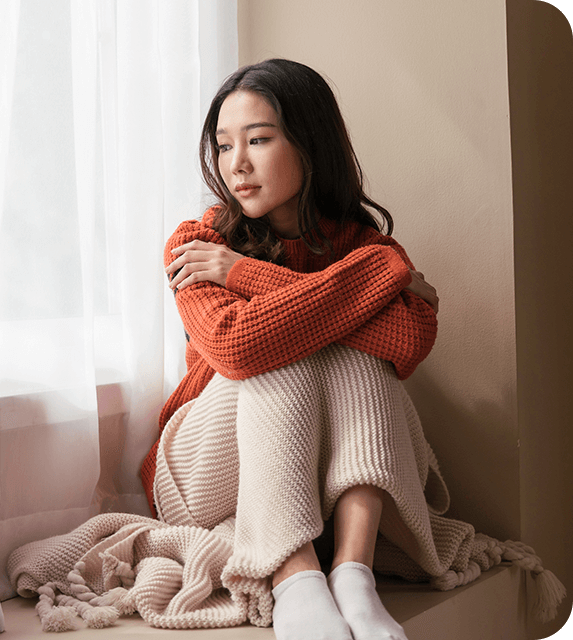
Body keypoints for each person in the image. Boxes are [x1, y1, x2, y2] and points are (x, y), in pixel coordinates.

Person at [139, 59, 439, 640]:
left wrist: (243, 275)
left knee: (359, 357)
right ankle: (295, 577)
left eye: (258, 140)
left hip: (313, 468)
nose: (237, 165)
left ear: (309, 142)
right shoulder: (198, 243)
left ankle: (352, 574)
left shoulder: (361, 245)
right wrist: (376, 279)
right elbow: (236, 346)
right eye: (224, 146)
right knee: (282, 357)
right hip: (198, 468)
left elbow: (407, 342)